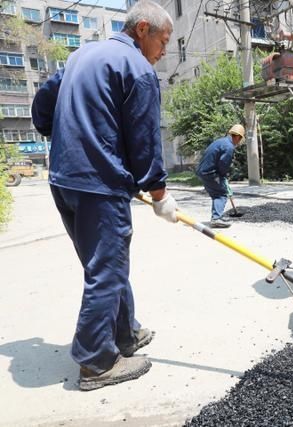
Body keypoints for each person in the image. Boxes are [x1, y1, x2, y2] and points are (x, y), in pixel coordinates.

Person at [31, 0, 178, 391]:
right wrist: (159, 193)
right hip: (99, 182)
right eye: (163, 42)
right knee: (107, 268)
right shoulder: (137, 69)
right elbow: (145, 139)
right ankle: (96, 362)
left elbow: (44, 100)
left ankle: (125, 334)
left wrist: (59, 133)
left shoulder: (83, 54)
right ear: (142, 29)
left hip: (64, 178)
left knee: (104, 265)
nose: (163, 53)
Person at [196, 124, 245, 228]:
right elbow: (223, 163)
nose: (239, 142)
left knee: (216, 194)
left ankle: (217, 216)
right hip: (210, 173)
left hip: (203, 171)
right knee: (221, 194)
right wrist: (223, 176)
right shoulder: (229, 147)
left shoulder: (220, 141)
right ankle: (216, 219)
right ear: (237, 136)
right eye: (239, 139)